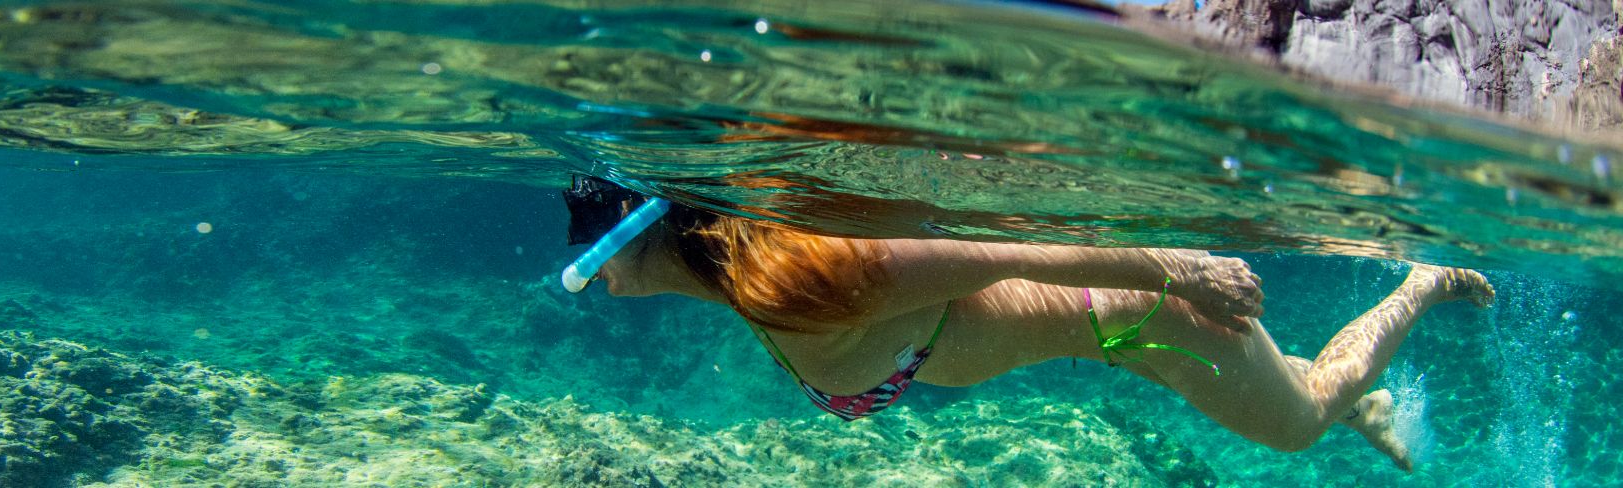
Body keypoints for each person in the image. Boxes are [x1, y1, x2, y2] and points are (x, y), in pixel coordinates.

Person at [561, 175, 1494, 472]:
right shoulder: (740, 262)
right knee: (1297, 396)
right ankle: (1356, 405)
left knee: (1298, 425)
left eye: (594, 263)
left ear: (637, 240)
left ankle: (1413, 289)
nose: (598, 286)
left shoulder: (803, 285)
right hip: (1110, 325)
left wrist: (1184, 272)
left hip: (1137, 317)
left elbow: (1009, 257)